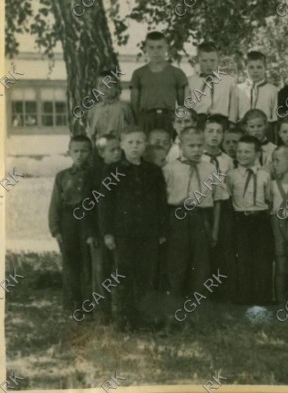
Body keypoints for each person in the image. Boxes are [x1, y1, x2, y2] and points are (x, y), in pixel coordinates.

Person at [98, 127, 169, 331]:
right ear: (122, 145)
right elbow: (105, 204)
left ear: (145, 145)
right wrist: (107, 233)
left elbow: (161, 203)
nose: (134, 147)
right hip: (123, 233)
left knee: (146, 275)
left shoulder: (153, 171)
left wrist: (161, 231)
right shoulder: (112, 170)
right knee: (123, 275)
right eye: (130, 142)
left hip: (148, 233)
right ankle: (124, 318)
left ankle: (144, 319)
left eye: (139, 142)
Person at [162, 127, 226, 299]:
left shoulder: (210, 169)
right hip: (177, 218)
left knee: (201, 265)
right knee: (177, 263)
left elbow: (218, 200)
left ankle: (197, 306)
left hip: (201, 218)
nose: (197, 150)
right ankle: (174, 306)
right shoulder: (169, 168)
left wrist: (214, 230)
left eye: (200, 145)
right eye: (191, 146)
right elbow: (162, 202)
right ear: (180, 146)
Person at [225, 135, 273, 304]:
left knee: (262, 258)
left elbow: (269, 198)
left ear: (257, 154)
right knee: (243, 258)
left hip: (261, 219)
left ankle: (263, 297)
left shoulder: (265, 175)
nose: (242, 155)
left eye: (247, 151)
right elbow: (229, 198)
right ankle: (245, 296)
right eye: (239, 151)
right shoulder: (231, 175)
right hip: (241, 219)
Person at [48, 135, 93, 315]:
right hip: (68, 222)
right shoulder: (62, 176)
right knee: (70, 262)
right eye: (76, 151)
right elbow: (55, 204)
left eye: (84, 151)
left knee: (88, 262)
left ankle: (88, 303)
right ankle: (73, 303)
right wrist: (55, 229)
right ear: (69, 153)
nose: (80, 155)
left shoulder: (95, 175)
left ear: (90, 153)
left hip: (88, 221)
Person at [86, 134, 123, 321]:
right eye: (112, 150)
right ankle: (102, 313)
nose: (117, 153)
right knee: (101, 271)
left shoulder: (124, 170)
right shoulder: (93, 174)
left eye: (119, 149)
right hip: (99, 231)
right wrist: (91, 232)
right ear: (101, 153)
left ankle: (121, 311)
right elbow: (87, 206)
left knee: (120, 270)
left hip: (120, 230)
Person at [201, 116, 237, 302]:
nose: (215, 135)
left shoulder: (227, 160)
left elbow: (228, 187)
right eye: (210, 131)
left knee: (224, 251)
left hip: (223, 208)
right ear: (203, 133)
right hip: (204, 207)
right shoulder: (198, 157)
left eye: (219, 132)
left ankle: (222, 297)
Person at [130, 31, 188, 134]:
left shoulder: (177, 72)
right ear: (145, 49)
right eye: (151, 48)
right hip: (146, 118)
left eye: (159, 47)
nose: (156, 51)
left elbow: (182, 104)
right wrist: (140, 120)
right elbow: (134, 103)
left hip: (169, 117)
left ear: (166, 48)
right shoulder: (138, 73)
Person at [186, 41, 239, 126]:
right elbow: (188, 107)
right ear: (198, 61)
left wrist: (232, 124)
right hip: (198, 122)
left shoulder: (228, 81)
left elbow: (233, 107)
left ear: (218, 60)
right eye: (204, 61)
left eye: (212, 60)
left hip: (221, 122)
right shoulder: (190, 81)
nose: (209, 64)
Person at [270, 146, 288, 303]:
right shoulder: (272, 184)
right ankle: (280, 302)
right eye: (273, 161)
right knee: (280, 266)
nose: (274, 164)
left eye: (277, 160)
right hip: (277, 226)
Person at [86, 70, 135, 144]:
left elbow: (132, 130)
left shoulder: (124, 108)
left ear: (116, 88)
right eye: (101, 85)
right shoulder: (94, 110)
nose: (104, 89)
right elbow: (90, 132)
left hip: (119, 145)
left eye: (108, 85)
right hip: (100, 146)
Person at [237, 50, 279, 128]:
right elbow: (233, 117)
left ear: (265, 68)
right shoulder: (238, 89)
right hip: (242, 130)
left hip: (265, 130)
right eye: (251, 67)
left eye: (259, 67)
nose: (255, 71)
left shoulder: (273, 90)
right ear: (245, 68)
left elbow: (275, 118)